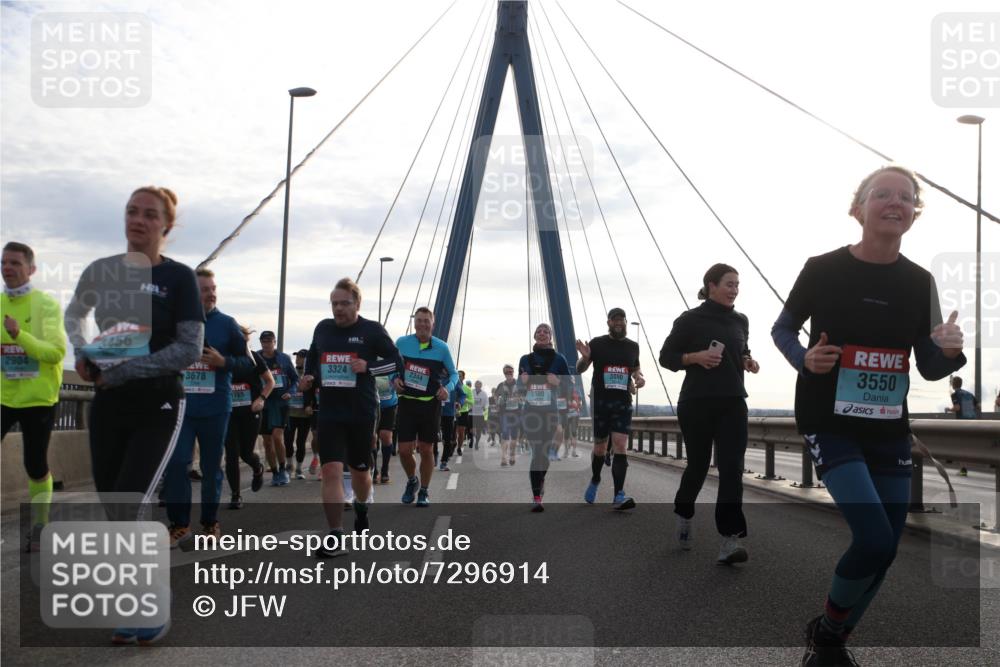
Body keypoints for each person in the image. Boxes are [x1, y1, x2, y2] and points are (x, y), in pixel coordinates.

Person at [770, 165, 966, 666]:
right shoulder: (822, 268)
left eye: (906, 197)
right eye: (883, 194)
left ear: (913, 215)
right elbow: (783, 329)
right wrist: (804, 359)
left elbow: (927, 363)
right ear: (858, 208)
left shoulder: (919, 282)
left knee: (887, 547)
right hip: (828, 421)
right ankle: (830, 636)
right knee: (874, 536)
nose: (895, 202)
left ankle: (831, 637)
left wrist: (947, 349)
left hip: (887, 430)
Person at [64, 186, 204, 645]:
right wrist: (84, 352)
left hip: (159, 404)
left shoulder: (180, 279)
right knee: (117, 508)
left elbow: (189, 349)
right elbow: (74, 315)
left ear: (167, 226)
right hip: (109, 405)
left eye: (149, 214)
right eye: (131, 211)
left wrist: (125, 370)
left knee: (129, 504)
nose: (138, 220)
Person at [659, 263, 759, 564]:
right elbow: (667, 357)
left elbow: (742, 350)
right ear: (711, 285)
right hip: (697, 402)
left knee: (732, 469)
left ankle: (729, 540)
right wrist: (694, 357)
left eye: (737, 284)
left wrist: (748, 360)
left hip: (732, 402)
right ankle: (684, 514)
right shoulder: (690, 319)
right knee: (699, 466)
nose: (734, 290)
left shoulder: (741, 320)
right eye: (729, 284)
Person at [299, 278, 402, 556]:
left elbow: (396, 361)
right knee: (331, 469)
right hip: (330, 411)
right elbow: (312, 356)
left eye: (344, 303)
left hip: (361, 411)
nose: (338, 309)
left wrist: (369, 366)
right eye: (334, 303)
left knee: (360, 471)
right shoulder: (323, 328)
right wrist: (309, 375)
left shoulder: (371, 330)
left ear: (357, 304)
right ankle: (335, 536)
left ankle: (362, 506)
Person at [163, 268, 253, 545]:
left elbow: (249, 365)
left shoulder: (227, 324)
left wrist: (223, 362)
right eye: (204, 289)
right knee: (177, 463)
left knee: (212, 466)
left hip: (216, 407)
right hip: (183, 407)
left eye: (213, 288)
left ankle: (210, 522)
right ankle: (179, 524)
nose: (211, 293)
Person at [1, 242, 66, 551]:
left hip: (39, 398)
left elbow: (55, 353)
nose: (7, 268)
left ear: (31, 270)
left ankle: (41, 525)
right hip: (4, 395)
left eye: (15, 263)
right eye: (4, 262)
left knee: (35, 464)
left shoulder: (46, 306)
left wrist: (19, 336)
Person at [576, 307, 644, 510]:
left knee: (621, 445)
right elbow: (579, 369)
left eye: (621, 319)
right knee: (599, 448)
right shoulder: (597, 343)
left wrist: (639, 378)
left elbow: (635, 369)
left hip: (622, 402)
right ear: (608, 323)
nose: (618, 323)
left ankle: (619, 495)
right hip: (601, 402)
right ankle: (595, 479)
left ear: (625, 322)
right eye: (614, 320)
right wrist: (586, 358)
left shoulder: (633, 346)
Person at [393, 307, 458, 507]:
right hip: (407, 402)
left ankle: (424, 490)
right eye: (419, 320)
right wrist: (394, 379)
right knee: (404, 450)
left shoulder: (442, 347)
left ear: (433, 323)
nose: (422, 324)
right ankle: (412, 480)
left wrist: (447, 388)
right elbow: (391, 367)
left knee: (426, 449)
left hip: (430, 405)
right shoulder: (402, 343)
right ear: (414, 322)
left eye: (426, 321)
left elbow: (454, 374)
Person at [518, 323, 570, 512]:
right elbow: (520, 387)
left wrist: (558, 382)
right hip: (531, 412)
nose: (542, 333)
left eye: (545, 331)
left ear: (550, 337)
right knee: (537, 452)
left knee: (546, 453)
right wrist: (522, 382)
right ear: (534, 336)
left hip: (550, 412)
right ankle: (537, 496)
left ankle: (541, 479)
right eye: (539, 331)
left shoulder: (559, 360)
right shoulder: (525, 359)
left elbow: (569, 387)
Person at [224, 325, 273, 509]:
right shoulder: (223, 358)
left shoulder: (253, 357)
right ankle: (235, 495)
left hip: (251, 411)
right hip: (228, 412)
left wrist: (261, 398)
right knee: (231, 454)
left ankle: (257, 467)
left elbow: (270, 382)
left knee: (246, 453)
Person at [257, 330, 297, 485]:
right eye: (263, 341)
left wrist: (290, 392)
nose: (266, 344)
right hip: (264, 403)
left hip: (281, 402)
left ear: (274, 342)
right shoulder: (256, 358)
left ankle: (283, 469)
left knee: (277, 436)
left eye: (269, 341)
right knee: (267, 441)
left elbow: (295, 379)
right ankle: (274, 472)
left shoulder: (284, 359)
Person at [285, 349, 311, 478]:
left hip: (304, 415)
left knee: (301, 443)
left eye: (300, 357)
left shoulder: (310, 374)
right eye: (297, 357)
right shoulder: (291, 373)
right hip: (290, 413)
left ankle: (299, 469)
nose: (297, 359)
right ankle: (289, 465)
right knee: (288, 441)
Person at [374, 362, 398, 483]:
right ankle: (374, 471)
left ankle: (385, 469)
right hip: (371, 405)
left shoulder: (392, 362)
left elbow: (399, 377)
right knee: (372, 439)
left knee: (386, 436)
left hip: (389, 406)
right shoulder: (369, 358)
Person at [495, 364, 522, 466]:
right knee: (505, 434)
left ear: (513, 372)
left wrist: (519, 398)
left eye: (510, 372)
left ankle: (512, 455)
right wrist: (498, 402)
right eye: (507, 372)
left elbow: (524, 395)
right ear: (504, 374)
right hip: (504, 413)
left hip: (516, 413)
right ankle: (503, 458)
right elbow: (496, 395)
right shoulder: (501, 385)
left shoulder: (519, 384)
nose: (509, 374)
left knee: (514, 437)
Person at [438, 377, 458, 471]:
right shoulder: (436, 378)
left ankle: (444, 462)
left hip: (449, 413)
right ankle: (434, 453)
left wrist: (459, 402)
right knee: (433, 436)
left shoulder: (453, 381)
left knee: (447, 438)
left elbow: (462, 395)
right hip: (435, 412)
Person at [453, 370, 472, 454]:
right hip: (452, 412)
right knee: (453, 432)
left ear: (464, 377)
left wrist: (464, 399)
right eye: (457, 375)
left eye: (460, 376)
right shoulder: (452, 385)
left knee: (461, 432)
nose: (459, 377)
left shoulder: (467, 389)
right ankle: (453, 443)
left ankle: (459, 448)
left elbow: (472, 401)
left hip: (463, 412)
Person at [470, 379, 488, 449]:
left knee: (479, 430)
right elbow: (468, 399)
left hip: (480, 414)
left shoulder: (484, 394)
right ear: (475, 385)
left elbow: (487, 403)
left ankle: (477, 443)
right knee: (472, 430)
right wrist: (469, 407)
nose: (477, 386)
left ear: (481, 386)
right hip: (472, 414)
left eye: (479, 384)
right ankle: (472, 438)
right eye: (476, 384)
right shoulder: (471, 392)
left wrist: (485, 407)